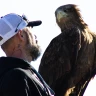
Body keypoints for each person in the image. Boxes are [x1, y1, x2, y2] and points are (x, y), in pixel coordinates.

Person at [0, 13, 55, 96]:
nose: (35, 35)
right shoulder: (16, 77)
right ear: (21, 35)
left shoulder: (12, 75)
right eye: (30, 29)